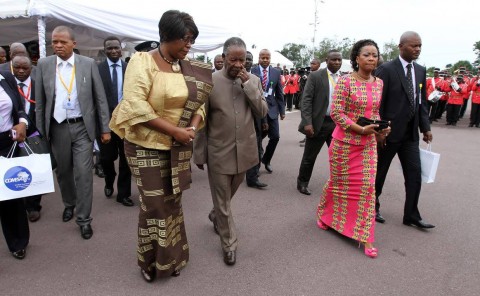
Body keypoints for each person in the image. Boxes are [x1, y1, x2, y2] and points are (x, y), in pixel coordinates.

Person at [109, 10, 212, 282]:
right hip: (144, 146)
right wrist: (175, 131)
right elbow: (135, 104)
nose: (189, 45)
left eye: (192, 40)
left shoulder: (188, 67)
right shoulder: (142, 61)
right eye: (186, 39)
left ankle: (173, 258)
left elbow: (201, 102)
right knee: (154, 205)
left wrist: (191, 128)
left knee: (173, 203)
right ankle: (149, 262)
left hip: (177, 146)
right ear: (167, 36)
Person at [193, 37, 267, 266]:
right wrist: (199, 152)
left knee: (227, 197)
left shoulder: (253, 80)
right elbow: (201, 121)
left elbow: (262, 111)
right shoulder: (209, 81)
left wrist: (249, 86)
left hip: (244, 151)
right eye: (233, 59)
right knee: (223, 201)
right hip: (218, 152)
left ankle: (215, 216)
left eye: (242, 60)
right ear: (223, 58)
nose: (238, 64)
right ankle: (229, 244)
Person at [35, 25, 111, 240]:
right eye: (54, 42)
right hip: (57, 127)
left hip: (82, 128)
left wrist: (104, 128)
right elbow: (40, 103)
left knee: (84, 173)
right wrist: (41, 134)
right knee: (63, 171)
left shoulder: (87, 65)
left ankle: (84, 219)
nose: (58, 46)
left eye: (62, 42)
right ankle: (69, 203)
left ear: (73, 44)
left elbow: (100, 99)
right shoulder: (44, 65)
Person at [316, 39, 389, 258]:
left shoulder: (379, 83)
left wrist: (380, 129)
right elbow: (337, 112)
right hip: (344, 145)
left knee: (367, 188)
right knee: (338, 184)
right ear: (356, 58)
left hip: (367, 146)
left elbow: (374, 112)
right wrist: (360, 129)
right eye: (366, 54)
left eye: (374, 55)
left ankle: (366, 237)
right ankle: (324, 215)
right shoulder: (346, 82)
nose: (371, 58)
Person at [374, 31, 435, 229]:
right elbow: (379, 103)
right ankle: (372, 207)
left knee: (415, 173)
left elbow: (421, 101)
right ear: (401, 46)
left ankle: (411, 215)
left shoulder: (420, 70)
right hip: (389, 133)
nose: (417, 49)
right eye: (413, 46)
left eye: (420, 46)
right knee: (379, 173)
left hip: (410, 134)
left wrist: (425, 127)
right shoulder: (386, 69)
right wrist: (380, 131)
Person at [297, 50, 342, 195]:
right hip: (318, 123)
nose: (336, 62)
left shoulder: (344, 78)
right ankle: (302, 183)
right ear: (326, 60)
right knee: (309, 157)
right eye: (333, 60)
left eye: (339, 60)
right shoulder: (316, 76)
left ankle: (337, 186)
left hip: (337, 124)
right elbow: (306, 100)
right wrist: (307, 122)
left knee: (338, 157)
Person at [97, 36, 133, 207]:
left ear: (121, 49)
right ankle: (109, 181)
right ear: (105, 50)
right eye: (109, 48)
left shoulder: (130, 68)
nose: (113, 51)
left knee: (126, 159)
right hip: (105, 123)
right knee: (106, 158)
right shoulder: (97, 69)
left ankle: (123, 194)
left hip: (126, 122)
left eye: (116, 48)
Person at [0, 70, 30, 259]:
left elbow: (19, 107)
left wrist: (22, 123)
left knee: (11, 193)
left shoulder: (5, 77)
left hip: (6, 141)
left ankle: (18, 242)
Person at [11, 55, 43, 222]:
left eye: (25, 68)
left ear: (31, 69)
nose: (21, 71)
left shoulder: (38, 86)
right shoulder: (7, 87)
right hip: (11, 136)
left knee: (34, 169)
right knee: (15, 169)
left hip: (33, 134)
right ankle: (17, 202)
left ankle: (33, 205)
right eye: (17, 68)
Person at [251, 49, 285, 173]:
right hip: (257, 109)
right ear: (258, 58)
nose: (265, 60)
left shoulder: (276, 72)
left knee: (275, 137)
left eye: (267, 58)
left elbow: (279, 92)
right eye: (262, 57)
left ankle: (266, 159)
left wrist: (282, 111)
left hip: (272, 110)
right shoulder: (252, 71)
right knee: (258, 137)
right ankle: (256, 164)